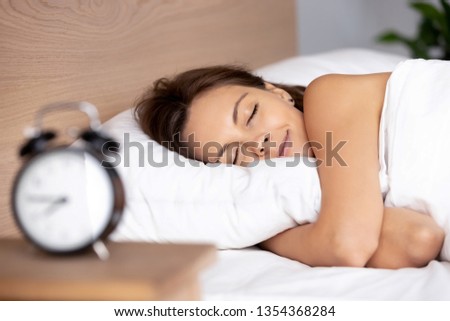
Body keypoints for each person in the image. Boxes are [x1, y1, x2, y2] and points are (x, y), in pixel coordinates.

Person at [135, 65, 445, 269]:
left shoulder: (332, 94)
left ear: (276, 92)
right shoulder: (335, 196)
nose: (258, 142)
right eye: (233, 154)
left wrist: (272, 237)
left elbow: (346, 244)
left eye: (251, 113)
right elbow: (417, 238)